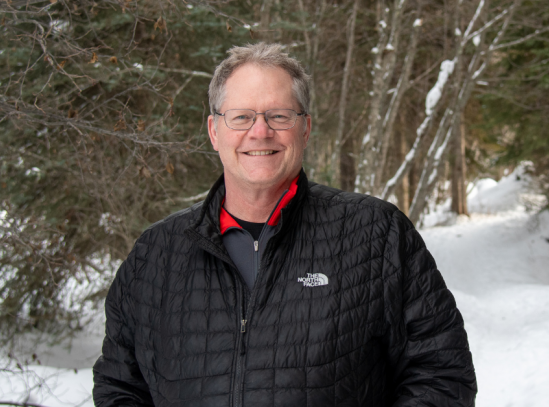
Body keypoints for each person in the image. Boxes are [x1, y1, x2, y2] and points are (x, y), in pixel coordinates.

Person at [92, 43, 477, 407]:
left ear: (305, 128)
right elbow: (120, 385)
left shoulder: (376, 234)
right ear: (214, 131)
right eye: (241, 117)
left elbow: (442, 372)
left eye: (279, 116)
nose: (260, 132)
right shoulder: (155, 254)